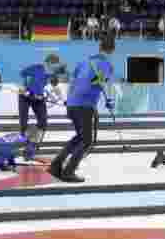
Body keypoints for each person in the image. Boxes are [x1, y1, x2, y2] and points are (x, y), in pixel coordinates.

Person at [49, 33, 115, 183]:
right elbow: (99, 82)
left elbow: (75, 81)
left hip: (72, 104)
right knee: (86, 140)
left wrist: (70, 101)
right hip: (84, 105)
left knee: (80, 137)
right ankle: (68, 171)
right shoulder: (106, 65)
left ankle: (55, 165)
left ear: (100, 47)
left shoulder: (85, 61)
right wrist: (109, 100)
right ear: (112, 50)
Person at [19, 53, 62, 138]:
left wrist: (60, 99)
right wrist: (24, 87)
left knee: (43, 122)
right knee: (23, 121)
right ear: (48, 63)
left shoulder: (52, 75)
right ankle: (24, 135)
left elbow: (55, 88)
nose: (55, 69)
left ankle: (33, 138)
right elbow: (22, 74)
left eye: (56, 67)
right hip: (25, 96)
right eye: (54, 66)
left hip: (38, 97)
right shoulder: (36, 68)